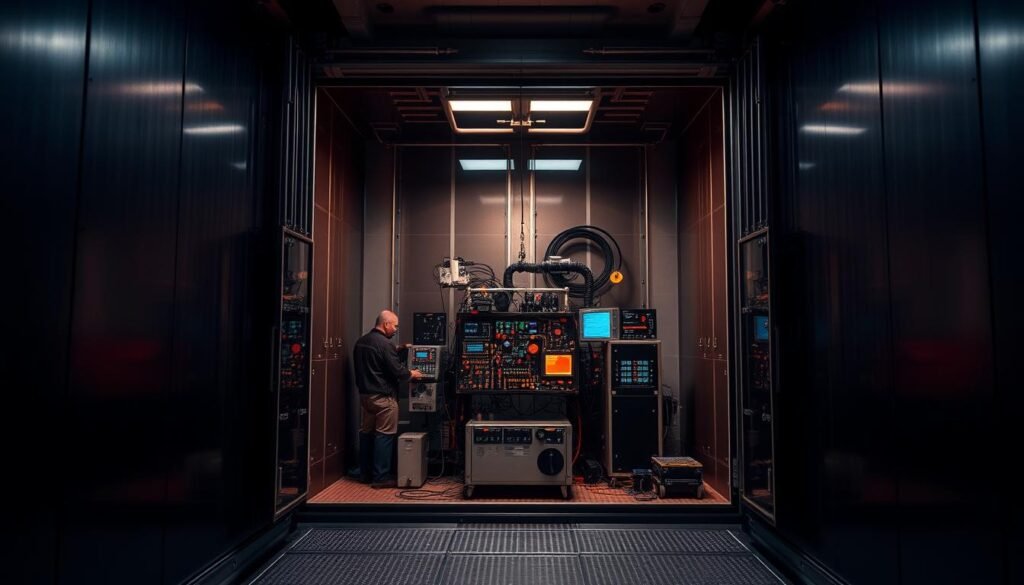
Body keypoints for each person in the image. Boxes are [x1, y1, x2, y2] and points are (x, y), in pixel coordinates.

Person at [352, 309, 423, 488]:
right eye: (395, 326)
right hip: (384, 400)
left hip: (366, 397)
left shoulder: (362, 341)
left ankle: (365, 473)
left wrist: (398, 349)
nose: (396, 329)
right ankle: (381, 477)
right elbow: (397, 371)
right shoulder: (385, 344)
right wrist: (411, 373)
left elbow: (376, 360)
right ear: (386, 324)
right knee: (385, 435)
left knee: (367, 434)